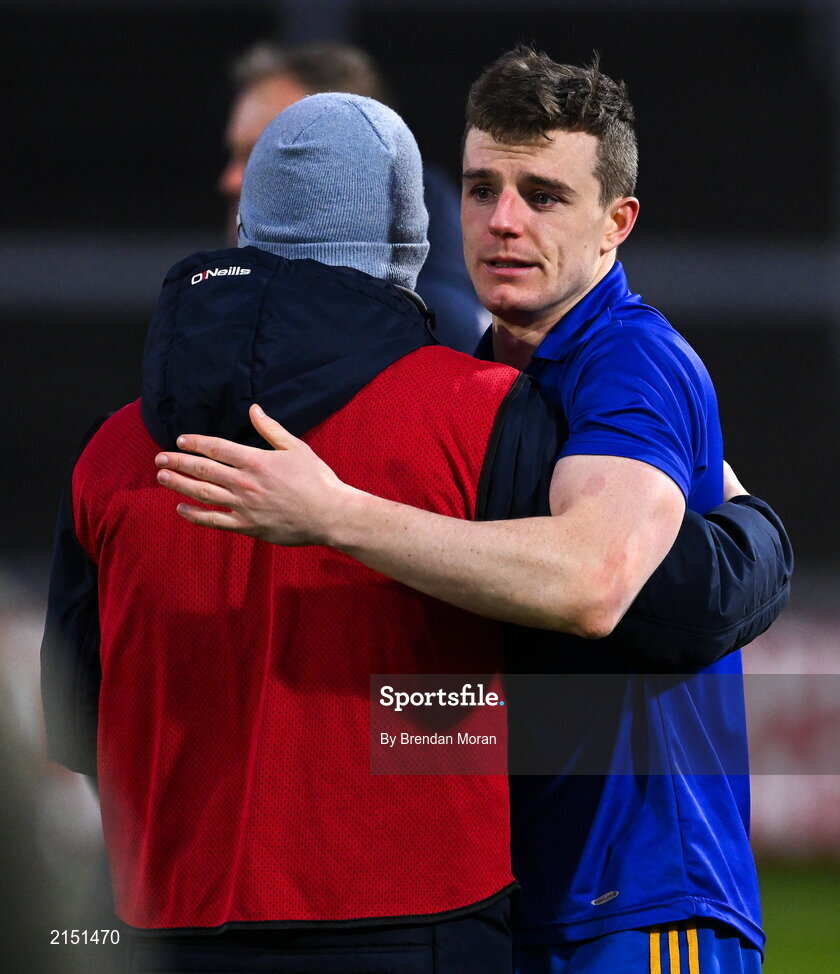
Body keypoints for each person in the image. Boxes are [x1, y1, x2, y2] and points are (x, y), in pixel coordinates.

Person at [157, 49, 788, 974]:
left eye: (543, 195)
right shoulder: (472, 374)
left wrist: (337, 514)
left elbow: (591, 582)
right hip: (515, 895)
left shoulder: (630, 364)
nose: (502, 222)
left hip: (642, 903)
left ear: (618, 223)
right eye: (484, 187)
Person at [218, 40, 487, 352]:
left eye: (260, 154)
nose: (231, 180)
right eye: (235, 155)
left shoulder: (435, 332)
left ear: (354, 158)